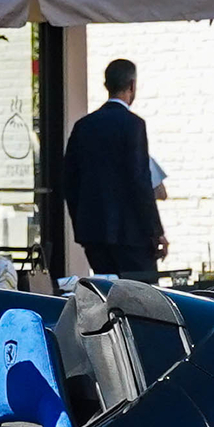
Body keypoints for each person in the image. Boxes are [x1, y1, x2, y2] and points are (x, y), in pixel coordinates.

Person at [62, 59, 168, 282]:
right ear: (132, 85)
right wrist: (155, 231)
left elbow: (69, 182)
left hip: (94, 233)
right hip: (132, 235)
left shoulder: (84, 126)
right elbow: (140, 181)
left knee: (108, 297)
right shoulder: (133, 125)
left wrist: (81, 225)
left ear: (106, 84)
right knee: (145, 302)